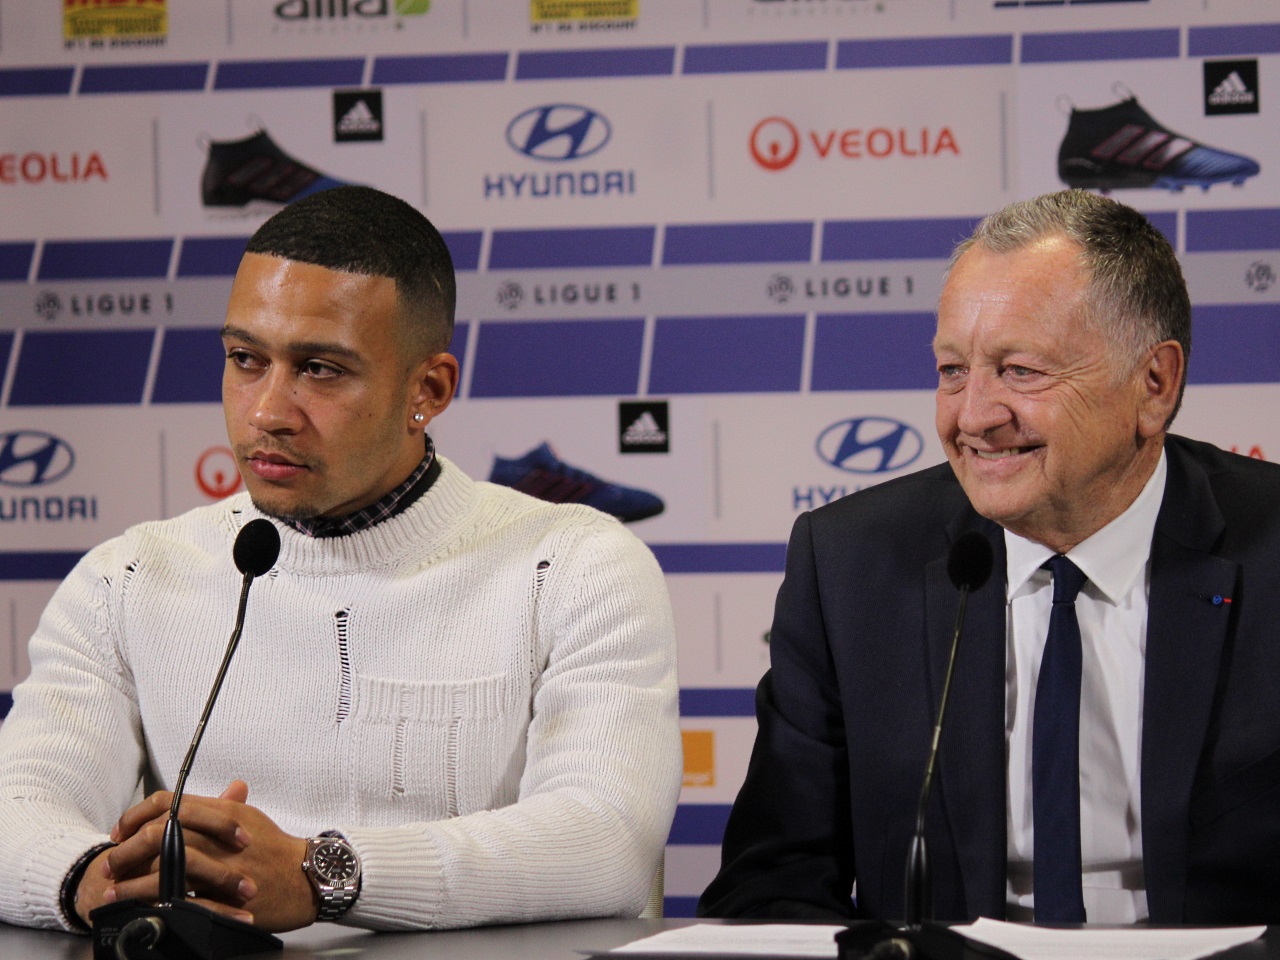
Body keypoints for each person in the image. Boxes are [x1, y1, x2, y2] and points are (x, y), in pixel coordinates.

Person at [0, 186, 681, 933]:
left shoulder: (575, 566)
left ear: (428, 390)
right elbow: (18, 806)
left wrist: (320, 875)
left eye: (320, 369)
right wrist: (90, 880)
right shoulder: (127, 579)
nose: (267, 412)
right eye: (245, 359)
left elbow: (606, 838)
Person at [699, 189, 1280, 925]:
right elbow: (769, 886)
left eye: (1021, 370)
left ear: (1153, 384)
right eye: (952, 370)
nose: (973, 417)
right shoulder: (849, 564)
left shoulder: (1268, 547)